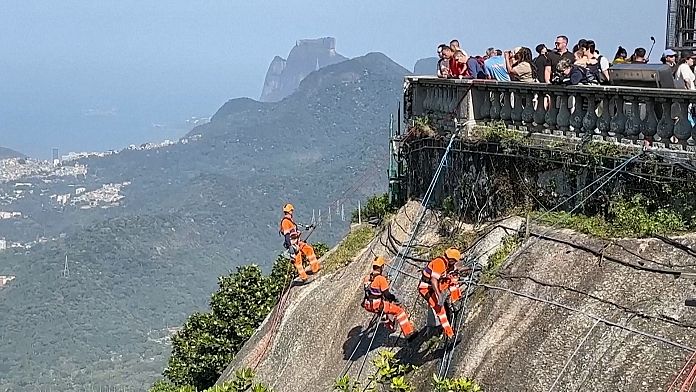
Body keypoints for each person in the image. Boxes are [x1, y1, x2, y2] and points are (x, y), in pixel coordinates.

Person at [362, 256, 417, 339]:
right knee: (399, 311)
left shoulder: (367, 278)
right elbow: (387, 294)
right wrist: (394, 299)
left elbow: (370, 291)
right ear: (382, 267)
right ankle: (409, 333)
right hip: (377, 304)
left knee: (382, 312)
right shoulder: (381, 279)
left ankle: (390, 327)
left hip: (368, 304)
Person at [418, 247, 464, 338]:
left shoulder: (447, 263)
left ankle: (455, 301)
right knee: (440, 310)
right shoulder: (439, 263)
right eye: (454, 261)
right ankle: (450, 335)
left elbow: (455, 269)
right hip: (426, 288)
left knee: (453, 281)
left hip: (437, 285)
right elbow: (433, 279)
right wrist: (439, 295)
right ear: (451, 260)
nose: (455, 263)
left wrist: (468, 269)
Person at [279, 203, 321, 281]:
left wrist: (306, 228)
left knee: (309, 250)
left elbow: (294, 231)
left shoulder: (290, 220)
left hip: (298, 242)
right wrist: (290, 246)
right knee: (298, 261)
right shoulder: (285, 222)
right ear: (289, 211)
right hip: (293, 244)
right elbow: (287, 235)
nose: (292, 211)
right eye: (291, 210)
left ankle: (315, 268)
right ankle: (304, 277)